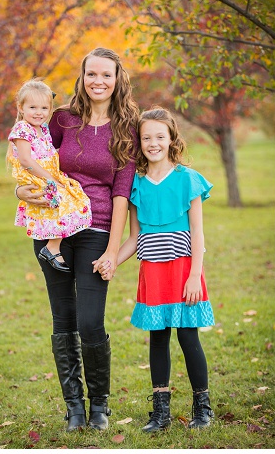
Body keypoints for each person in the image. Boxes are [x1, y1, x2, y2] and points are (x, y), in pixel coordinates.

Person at [15, 47, 139, 431]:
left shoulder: (128, 128)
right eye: (91, 74)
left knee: (90, 321)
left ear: (117, 79)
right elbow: (30, 156)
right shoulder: (63, 119)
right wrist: (21, 192)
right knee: (63, 318)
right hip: (53, 228)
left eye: (106, 74)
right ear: (82, 77)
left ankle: (99, 406)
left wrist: (113, 251)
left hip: (97, 228)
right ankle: (75, 409)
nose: (98, 81)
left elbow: (121, 192)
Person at [108, 107, 214, 432]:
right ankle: (161, 413)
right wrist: (111, 259)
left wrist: (196, 274)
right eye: (146, 137)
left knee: (187, 337)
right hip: (152, 273)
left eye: (159, 136)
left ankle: (203, 408)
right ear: (138, 142)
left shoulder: (187, 179)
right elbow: (135, 237)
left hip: (184, 271)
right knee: (158, 339)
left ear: (171, 139)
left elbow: (197, 233)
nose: (153, 143)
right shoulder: (137, 185)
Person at [7, 78, 92, 272]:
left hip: (49, 173)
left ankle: (54, 245)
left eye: (44, 108)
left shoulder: (43, 129)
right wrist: (51, 179)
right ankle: (52, 246)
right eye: (33, 107)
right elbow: (26, 161)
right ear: (21, 107)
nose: (39, 113)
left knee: (77, 197)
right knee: (62, 200)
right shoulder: (22, 129)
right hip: (36, 175)